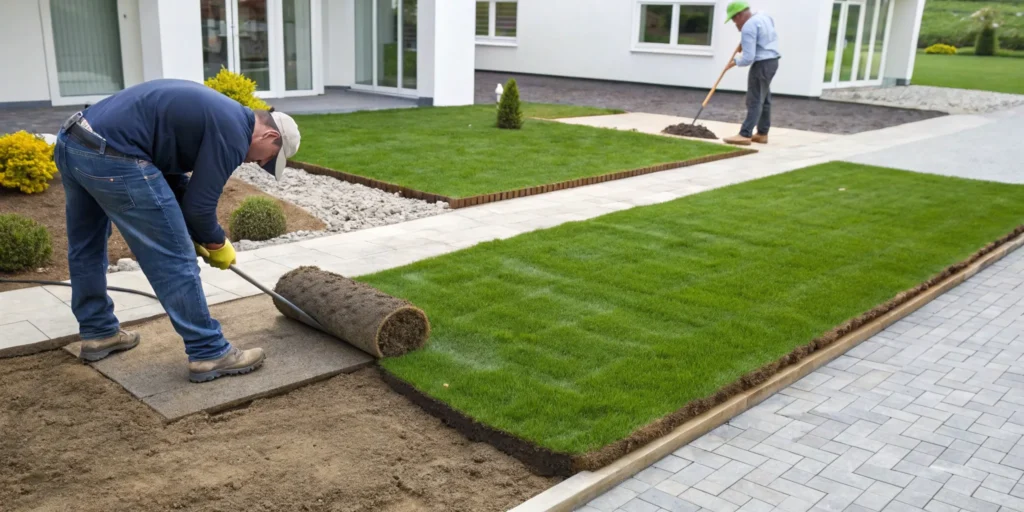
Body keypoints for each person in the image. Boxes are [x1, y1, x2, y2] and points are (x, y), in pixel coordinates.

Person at [53, 78, 301, 383]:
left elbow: (172, 178)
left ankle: (98, 332)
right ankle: (209, 352)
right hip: (113, 156)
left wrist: (199, 233)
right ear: (270, 134)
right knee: (174, 257)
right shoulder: (234, 130)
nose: (256, 162)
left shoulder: (219, 114)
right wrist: (215, 241)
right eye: (266, 158)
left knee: (86, 247)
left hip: (72, 143)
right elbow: (199, 207)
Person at [722, 1, 781, 146]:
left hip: (761, 65)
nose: (735, 23)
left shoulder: (748, 27)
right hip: (772, 62)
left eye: (734, 19)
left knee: (754, 99)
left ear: (740, 15)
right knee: (765, 99)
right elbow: (764, 36)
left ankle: (745, 134)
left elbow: (748, 58)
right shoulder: (763, 15)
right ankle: (762, 133)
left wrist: (735, 61)